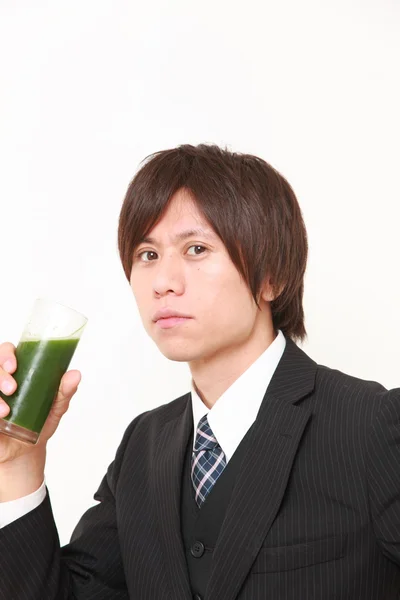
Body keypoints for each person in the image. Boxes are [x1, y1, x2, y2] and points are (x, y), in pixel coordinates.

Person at [0, 144, 399, 600]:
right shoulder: (143, 448)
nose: (163, 280)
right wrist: (17, 468)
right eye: (147, 254)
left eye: (196, 248)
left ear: (272, 276)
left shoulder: (372, 427)